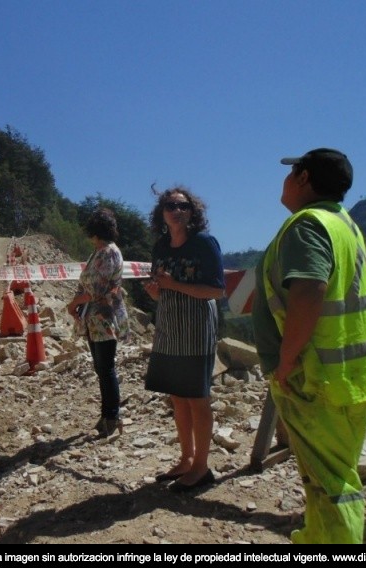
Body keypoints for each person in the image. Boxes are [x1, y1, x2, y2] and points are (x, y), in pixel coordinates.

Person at [252, 148, 366, 544]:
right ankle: (315, 538)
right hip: (353, 376)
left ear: (304, 178)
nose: (285, 181)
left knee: (333, 483)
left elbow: (309, 292)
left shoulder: (307, 225)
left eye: (292, 173)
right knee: (329, 474)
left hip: (316, 379)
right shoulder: (345, 224)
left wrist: (287, 361)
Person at [143, 187, 225, 492]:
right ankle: (186, 459)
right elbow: (161, 286)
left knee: (197, 397)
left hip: (196, 329)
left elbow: (216, 291)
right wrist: (157, 292)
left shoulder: (204, 243)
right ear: (162, 212)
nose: (176, 210)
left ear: (193, 212)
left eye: (183, 205)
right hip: (168, 327)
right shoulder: (161, 246)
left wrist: (173, 284)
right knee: (177, 395)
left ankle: (202, 467)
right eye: (170, 206)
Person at [67, 208, 130, 438]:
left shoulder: (107, 253)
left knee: (106, 368)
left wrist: (73, 304)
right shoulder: (100, 252)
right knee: (102, 368)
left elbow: (95, 289)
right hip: (95, 319)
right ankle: (106, 416)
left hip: (104, 319)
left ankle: (112, 417)